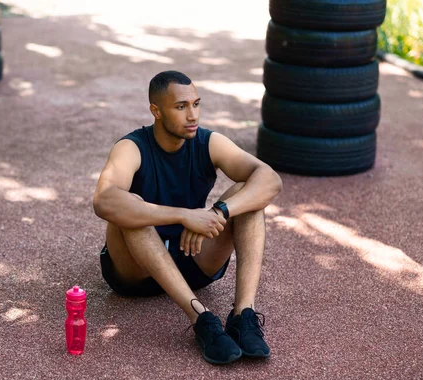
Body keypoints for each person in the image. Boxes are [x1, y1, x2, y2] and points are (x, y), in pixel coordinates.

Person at [93, 70, 283, 364]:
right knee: (130, 208)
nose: (192, 115)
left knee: (248, 195)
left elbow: (270, 180)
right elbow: (104, 200)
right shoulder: (131, 147)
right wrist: (184, 216)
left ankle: (242, 315)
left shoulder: (208, 142)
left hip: (191, 257)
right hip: (135, 272)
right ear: (156, 111)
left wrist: (218, 211)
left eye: (196, 104)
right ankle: (201, 318)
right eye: (181, 107)